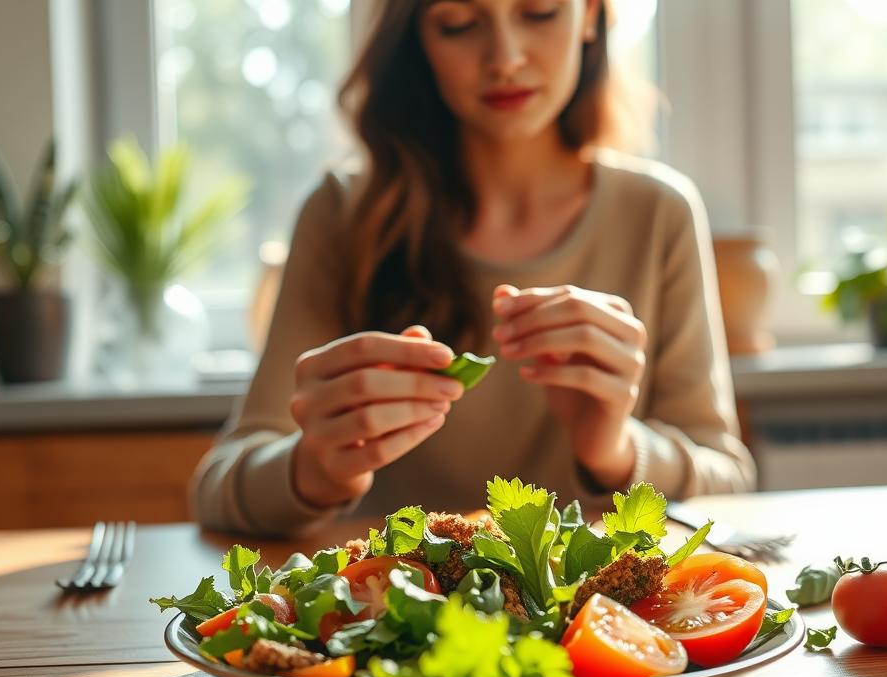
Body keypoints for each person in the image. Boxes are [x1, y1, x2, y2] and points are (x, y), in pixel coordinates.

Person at [194, 0, 755, 536]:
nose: (505, 58)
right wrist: (315, 467)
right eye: (459, 24)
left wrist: (614, 448)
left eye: (538, 12)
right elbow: (217, 486)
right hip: (394, 611)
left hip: (592, 622)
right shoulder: (343, 214)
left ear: (589, 16)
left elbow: (728, 483)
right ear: (419, 39)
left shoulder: (659, 213)